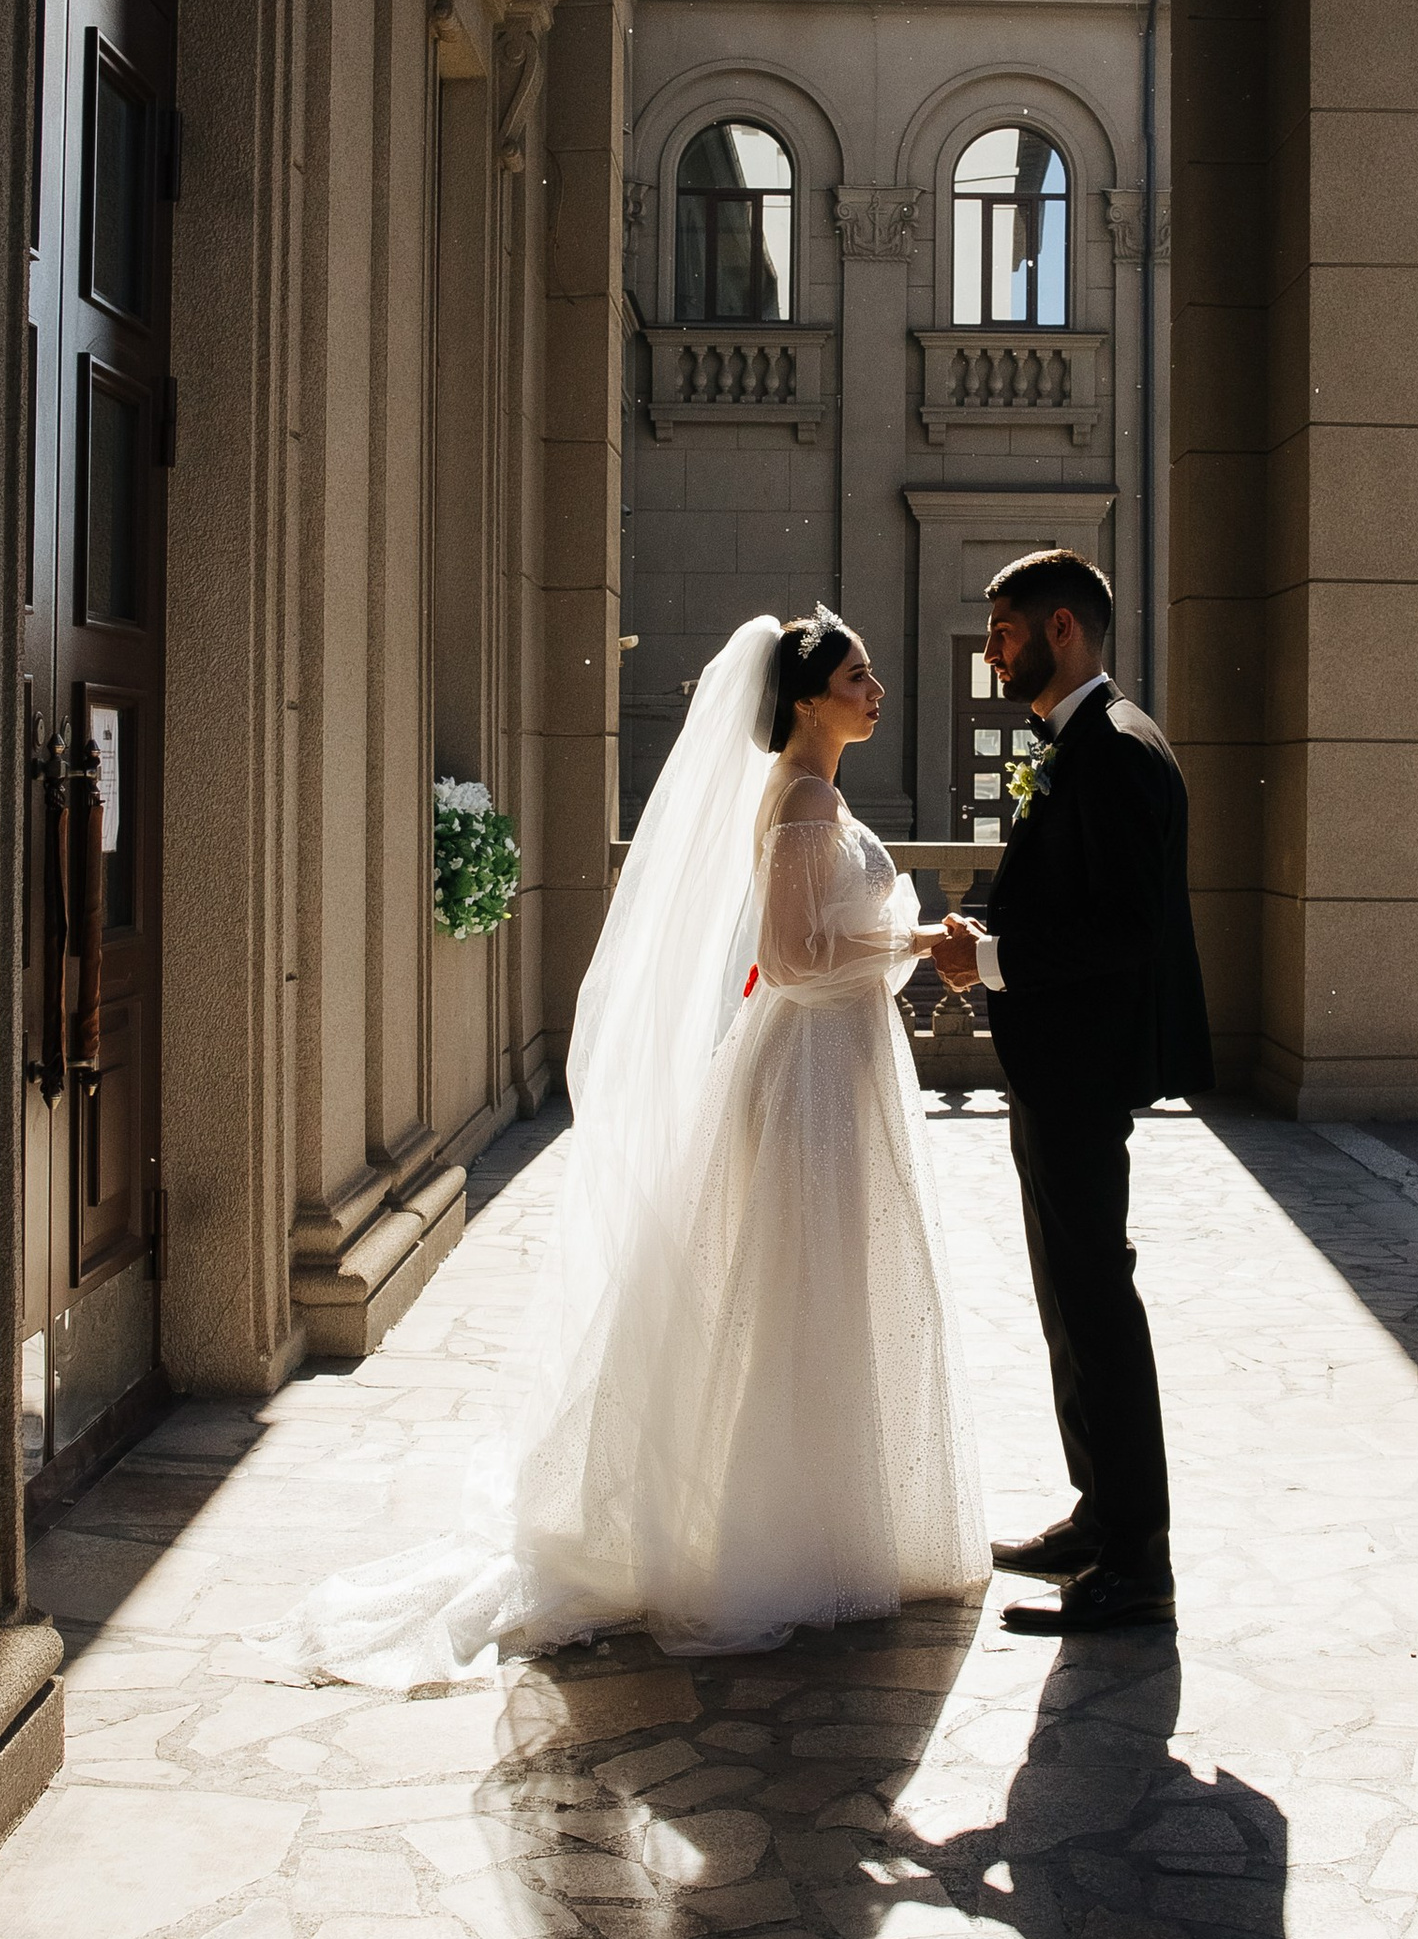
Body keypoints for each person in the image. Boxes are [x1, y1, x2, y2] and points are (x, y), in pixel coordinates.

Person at [267, 611, 984, 1683]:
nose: (875, 687)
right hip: (810, 1073)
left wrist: (898, 945)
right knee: (793, 1292)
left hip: (839, 1064)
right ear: (802, 699)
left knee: (816, 1292)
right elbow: (791, 959)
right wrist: (920, 937)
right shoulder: (802, 796)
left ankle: (826, 1521)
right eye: (856, 672)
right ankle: (779, 1534)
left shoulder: (808, 794)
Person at [937, 548, 1210, 1638]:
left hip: (1085, 1067)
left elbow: (1125, 929)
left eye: (1002, 629)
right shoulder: (1080, 746)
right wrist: (997, 945)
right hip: (1060, 1063)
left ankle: (1138, 1562)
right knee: (1070, 1300)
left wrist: (993, 963)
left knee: (1097, 1303)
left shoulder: (1115, 749)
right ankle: (1101, 1516)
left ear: (1060, 629)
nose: (990, 648)